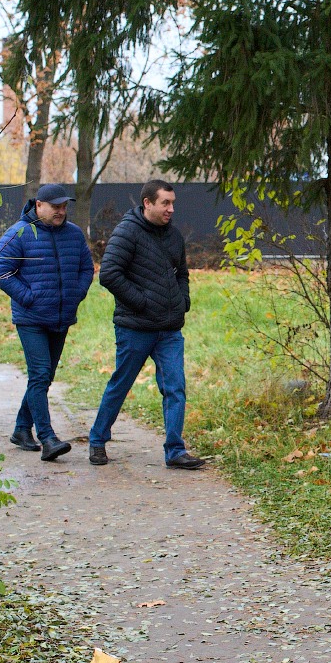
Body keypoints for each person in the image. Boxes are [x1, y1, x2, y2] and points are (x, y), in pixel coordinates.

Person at [87, 180, 205, 470]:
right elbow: (109, 274)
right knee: (121, 384)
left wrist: (183, 300)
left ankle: (175, 450)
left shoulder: (174, 235)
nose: (171, 209)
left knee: (175, 388)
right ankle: (98, 439)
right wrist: (141, 302)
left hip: (169, 329)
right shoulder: (127, 232)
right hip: (135, 327)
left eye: (172, 203)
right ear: (147, 203)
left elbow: (182, 273)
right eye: (165, 203)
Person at [0, 182, 94, 461]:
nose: (61, 211)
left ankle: (21, 429)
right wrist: (28, 297)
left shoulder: (73, 234)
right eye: (55, 206)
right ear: (38, 205)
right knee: (39, 374)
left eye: (64, 206)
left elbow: (87, 268)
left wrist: (76, 294)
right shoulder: (20, 233)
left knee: (45, 376)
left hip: (61, 316)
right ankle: (47, 438)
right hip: (31, 318)